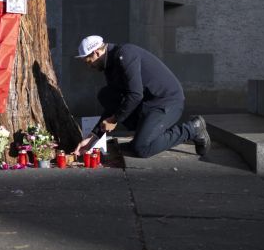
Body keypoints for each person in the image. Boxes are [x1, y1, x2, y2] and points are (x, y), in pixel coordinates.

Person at [73, 35, 210, 159]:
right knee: (106, 95)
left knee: (141, 149)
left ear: (96, 52)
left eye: (88, 61)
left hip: (167, 102)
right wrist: (93, 137)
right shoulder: (110, 66)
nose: (88, 66)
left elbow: (135, 94)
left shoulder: (125, 55)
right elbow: (115, 106)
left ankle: (192, 129)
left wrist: (115, 119)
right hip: (148, 104)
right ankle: (143, 135)